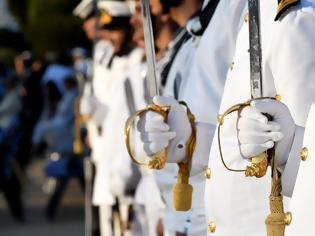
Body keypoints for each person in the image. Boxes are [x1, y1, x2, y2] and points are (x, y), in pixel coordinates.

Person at [136, 0, 315, 235]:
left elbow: (306, 159)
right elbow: (241, 140)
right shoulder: (253, 11)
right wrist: (190, 139)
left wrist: (290, 148)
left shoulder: (292, 16)